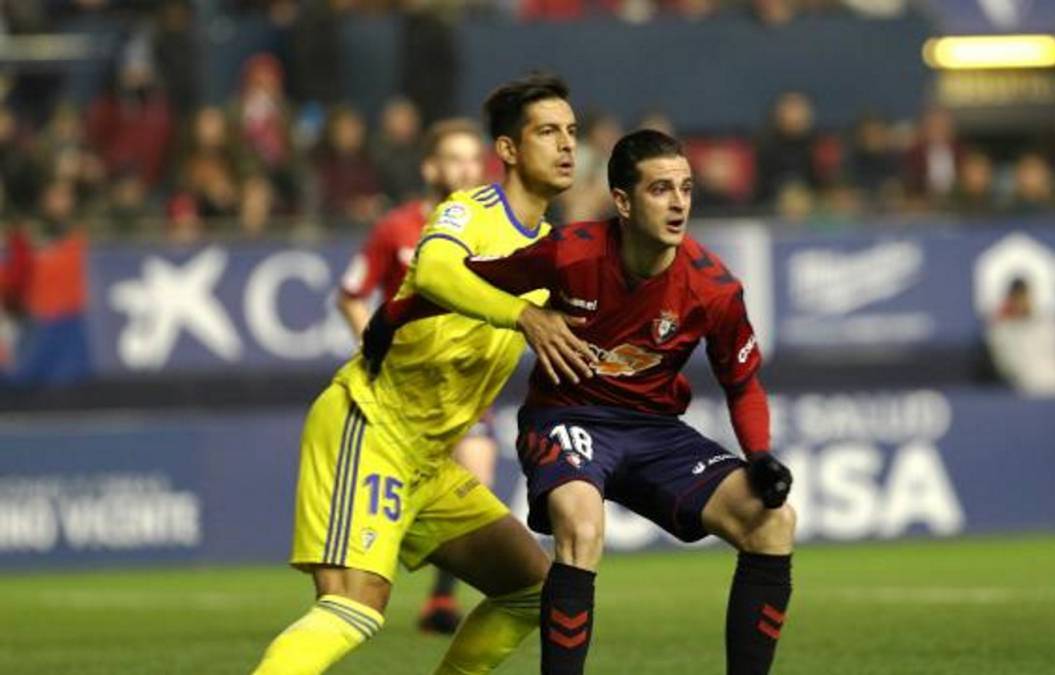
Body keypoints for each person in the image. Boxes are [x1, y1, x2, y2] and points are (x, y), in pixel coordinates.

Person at [368, 129, 797, 675]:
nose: (678, 203)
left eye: (685, 189)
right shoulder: (572, 252)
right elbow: (476, 282)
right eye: (660, 189)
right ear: (622, 200)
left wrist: (758, 455)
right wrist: (393, 317)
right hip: (565, 419)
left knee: (774, 521)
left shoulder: (713, 288)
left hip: (653, 430)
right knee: (582, 525)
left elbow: (742, 383)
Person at [251, 72, 594, 675]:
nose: (566, 144)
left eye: (571, 131)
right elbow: (435, 272)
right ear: (508, 151)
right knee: (356, 604)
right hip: (372, 426)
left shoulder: (551, 252)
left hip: (428, 461)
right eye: (547, 131)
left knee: (534, 589)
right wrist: (524, 316)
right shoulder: (470, 209)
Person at [335, 117, 501, 635]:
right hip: (402, 390)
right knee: (390, 501)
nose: (465, 167)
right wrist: (375, 348)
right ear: (431, 166)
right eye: (454, 157)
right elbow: (351, 293)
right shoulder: (396, 228)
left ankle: (440, 601)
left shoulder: (493, 232)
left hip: (462, 386)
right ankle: (353, 593)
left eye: (473, 158)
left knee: (475, 475)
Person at [986, 278, 1055, 397]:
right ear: (1011, 300)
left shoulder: (1048, 324)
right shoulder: (1004, 332)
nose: (1022, 302)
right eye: (1017, 297)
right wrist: (1000, 322)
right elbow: (1006, 366)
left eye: (1024, 296)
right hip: (1032, 393)